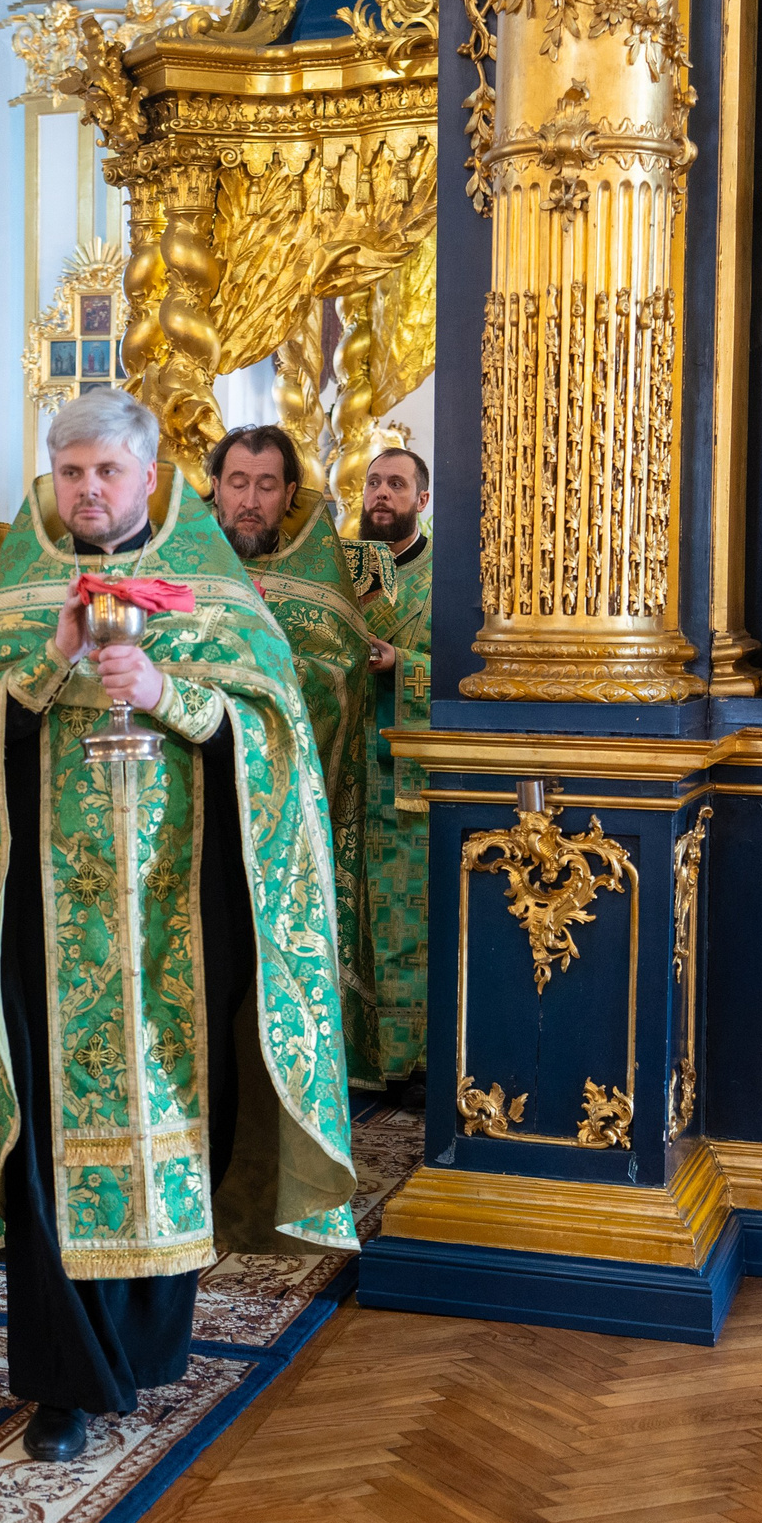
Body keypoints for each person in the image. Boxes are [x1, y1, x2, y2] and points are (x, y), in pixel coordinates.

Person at [0, 391, 356, 1463]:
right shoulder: (21, 592)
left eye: (106, 473)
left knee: (175, 1128)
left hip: (179, 912)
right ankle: (60, 1383)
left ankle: (143, 1344)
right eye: (69, 472)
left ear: (151, 477)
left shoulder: (214, 591)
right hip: (39, 914)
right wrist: (47, 667)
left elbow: (274, 733)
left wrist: (171, 689)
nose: (86, 491)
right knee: (46, 1134)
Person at [209, 424, 396, 1087]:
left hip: (287, 799)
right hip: (198, 793)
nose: (250, 500)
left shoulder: (319, 569)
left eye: (266, 485)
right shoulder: (186, 562)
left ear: (289, 492)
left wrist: (270, 683)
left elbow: (342, 671)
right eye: (238, 483)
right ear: (216, 488)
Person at [351, 444, 433, 1100]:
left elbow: (466, 676)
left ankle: (405, 1066)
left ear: (422, 500)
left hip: (401, 777)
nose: (381, 493)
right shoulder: (336, 570)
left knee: (402, 929)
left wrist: (401, 661)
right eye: (374, 482)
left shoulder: (450, 575)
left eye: (396, 484)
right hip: (335, 767)